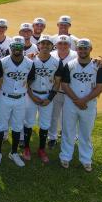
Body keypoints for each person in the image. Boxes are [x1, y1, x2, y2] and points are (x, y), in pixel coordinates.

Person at [59, 39, 102, 172]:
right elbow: (64, 84)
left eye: (85, 48)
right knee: (68, 131)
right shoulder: (70, 65)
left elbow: (100, 87)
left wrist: (84, 100)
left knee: (86, 133)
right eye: (80, 48)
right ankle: (65, 157)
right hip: (71, 103)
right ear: (77, 49)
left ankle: (86, 159)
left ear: (90, 49)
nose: (83, 51)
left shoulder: (99, 66)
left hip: (89, 104)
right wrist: (77, 100)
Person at [0, 36, 35, 168]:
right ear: (10, 48)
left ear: (23, 48)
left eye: (19, 47)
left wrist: (20, 89)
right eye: (14, 47)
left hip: (21, 99)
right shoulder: (2, 62)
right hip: (5, 97)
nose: (17, 49)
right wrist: (6, 90)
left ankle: (14, 153)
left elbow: (30, 80)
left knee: (17, 126)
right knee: (1, 126)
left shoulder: (30, 63)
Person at [23, 35, 63, 163]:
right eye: (43, 44)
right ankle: (27, 148)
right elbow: (26, 81)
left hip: (47, 96)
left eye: (48, 44)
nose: (45, 46)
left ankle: (41, 149)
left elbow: (57, 82)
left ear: (52, 46)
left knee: (45, 123)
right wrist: (32, 96)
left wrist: (50, 98)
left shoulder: (57, 62)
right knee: (28, 122)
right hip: (32, 95)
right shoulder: (31, 61)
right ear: (38, 45)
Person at [47, 35, 78, 147]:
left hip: (71, 91)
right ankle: (52, 137)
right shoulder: (51, 55)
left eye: (65, 44)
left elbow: (89, 60)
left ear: (70, 45)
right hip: (55, 91)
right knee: (54, 115)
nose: (63, 46)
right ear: (56, 45)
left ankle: (70, 136)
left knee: (70, 116)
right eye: (60, 43)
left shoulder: (76, 55)